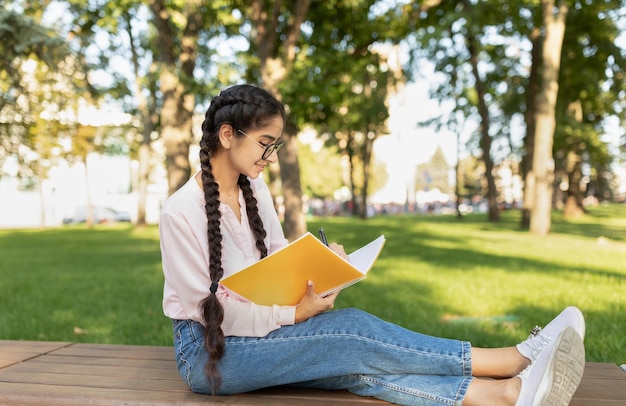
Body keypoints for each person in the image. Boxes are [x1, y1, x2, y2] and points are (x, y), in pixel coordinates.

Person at [159, 84, 586, 406]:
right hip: (208, 353)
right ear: (228, 135)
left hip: (262, 332)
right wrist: (293, 314)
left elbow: (275, 264)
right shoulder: (180, 212)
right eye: (265, 145)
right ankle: (512, 360)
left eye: (276, 147)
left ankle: (508, 395)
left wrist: (321, 268)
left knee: (352, 361)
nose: (270, 158)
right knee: (351, 333)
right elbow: (208, 311)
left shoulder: (257, 192)